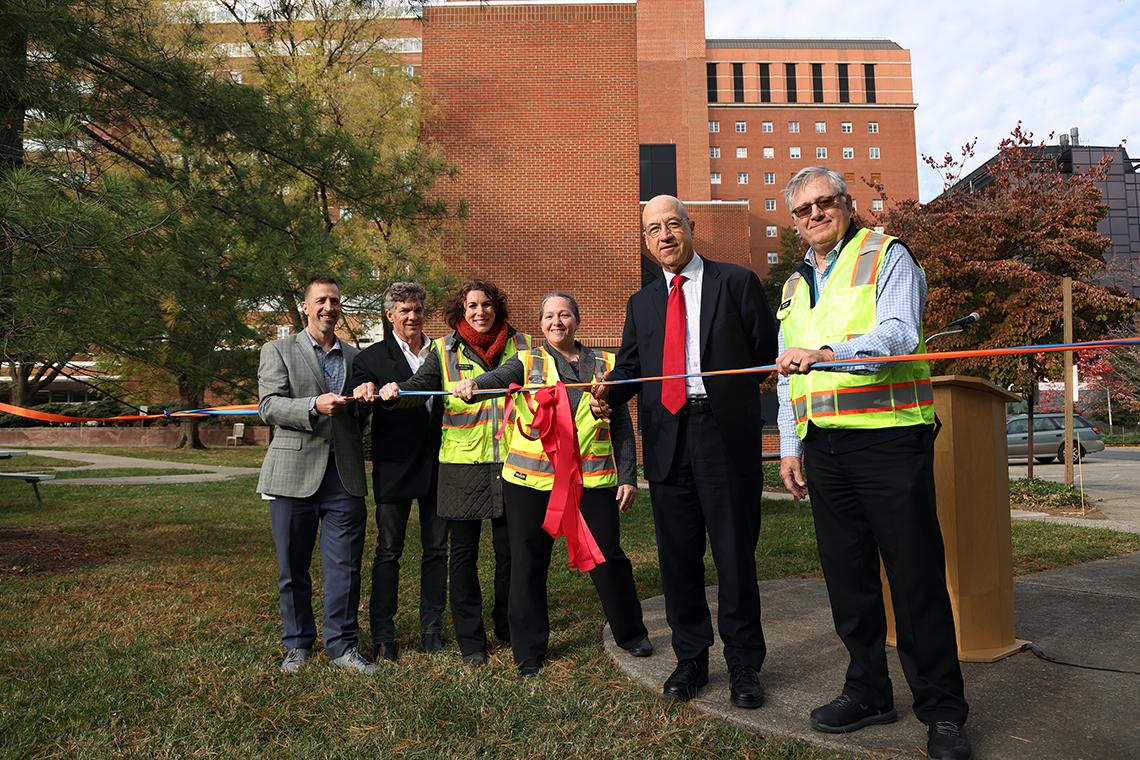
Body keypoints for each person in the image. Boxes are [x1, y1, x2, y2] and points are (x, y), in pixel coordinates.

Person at [774, 166, 970, 760]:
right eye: (803, 209)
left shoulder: (887, 255)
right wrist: (790, 443)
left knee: (914, 578)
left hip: (888, 443)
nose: (814, 215)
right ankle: (868, 691)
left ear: (846, 203)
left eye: (824, 202)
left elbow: (899, 335)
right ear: (795, 221)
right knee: (848, 579)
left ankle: (942, 711)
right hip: (823, 449)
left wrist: (826, 353)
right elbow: (786, 372)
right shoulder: (793, 284)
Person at [592, 195, 777, 708]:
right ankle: (691, 658)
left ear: (690, 227)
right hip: (668, 438)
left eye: (672, 224)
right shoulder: (642, 303)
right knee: (678, 558)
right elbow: (632, 368)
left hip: (724, 436)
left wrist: (732, 396)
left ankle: (744, 665)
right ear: (646, 241)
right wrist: (609, 392)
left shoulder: (736, 282)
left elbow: (764, 354)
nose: (665, 236)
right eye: (654, 229)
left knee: (734, 555)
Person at [452, 291, 653, 677]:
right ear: (541, 323)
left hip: (592, 480)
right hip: (530, 482)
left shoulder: (606, 365)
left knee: (608, 556)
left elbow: (623, 425)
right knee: (527, 563)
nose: (556, 322)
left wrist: (628, 476)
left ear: (577, 320)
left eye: (564, 315)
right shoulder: (527, 361)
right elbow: (497, 379)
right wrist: (474, 384)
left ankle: (631, 634)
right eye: (548, 316)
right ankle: (528, 653)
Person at [367, 279, 532, 667]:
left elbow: (513, 374)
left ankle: (508, 626)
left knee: (511, 554)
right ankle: (471, 641)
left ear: (496, 307)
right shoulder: (443, 350)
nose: (480, 312)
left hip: (512, 463)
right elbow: (420, 386)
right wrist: (395, 394)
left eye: (486, 304)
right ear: (461, 311)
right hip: (461, 467)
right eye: (472, 305)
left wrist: (476, 383)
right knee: (463, 556)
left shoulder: (521, 345)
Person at [257, 275, 374, 675]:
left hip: (345, 475)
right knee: (293, 567)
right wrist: (312, 405)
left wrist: (366, 402)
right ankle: (297, 644)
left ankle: (343, 646)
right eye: (321, 300)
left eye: (335, 301)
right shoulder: (277, 349)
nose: (328, 307)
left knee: (345, 567)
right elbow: (269, 406)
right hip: (292, 473)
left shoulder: (358, 358)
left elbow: (358, 419)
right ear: (305, 307)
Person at [349, 281, 446, 662]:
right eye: (404, 310)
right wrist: (364, 394)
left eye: (417, 309)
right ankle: (383, 636)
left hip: (440, 464)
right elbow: (356, 404)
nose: (412, 316)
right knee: (389, 551)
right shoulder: (370, 358)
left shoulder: (443, 353)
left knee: (437, 550)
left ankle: (432, 630)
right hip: (395, 465)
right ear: (390, 315)